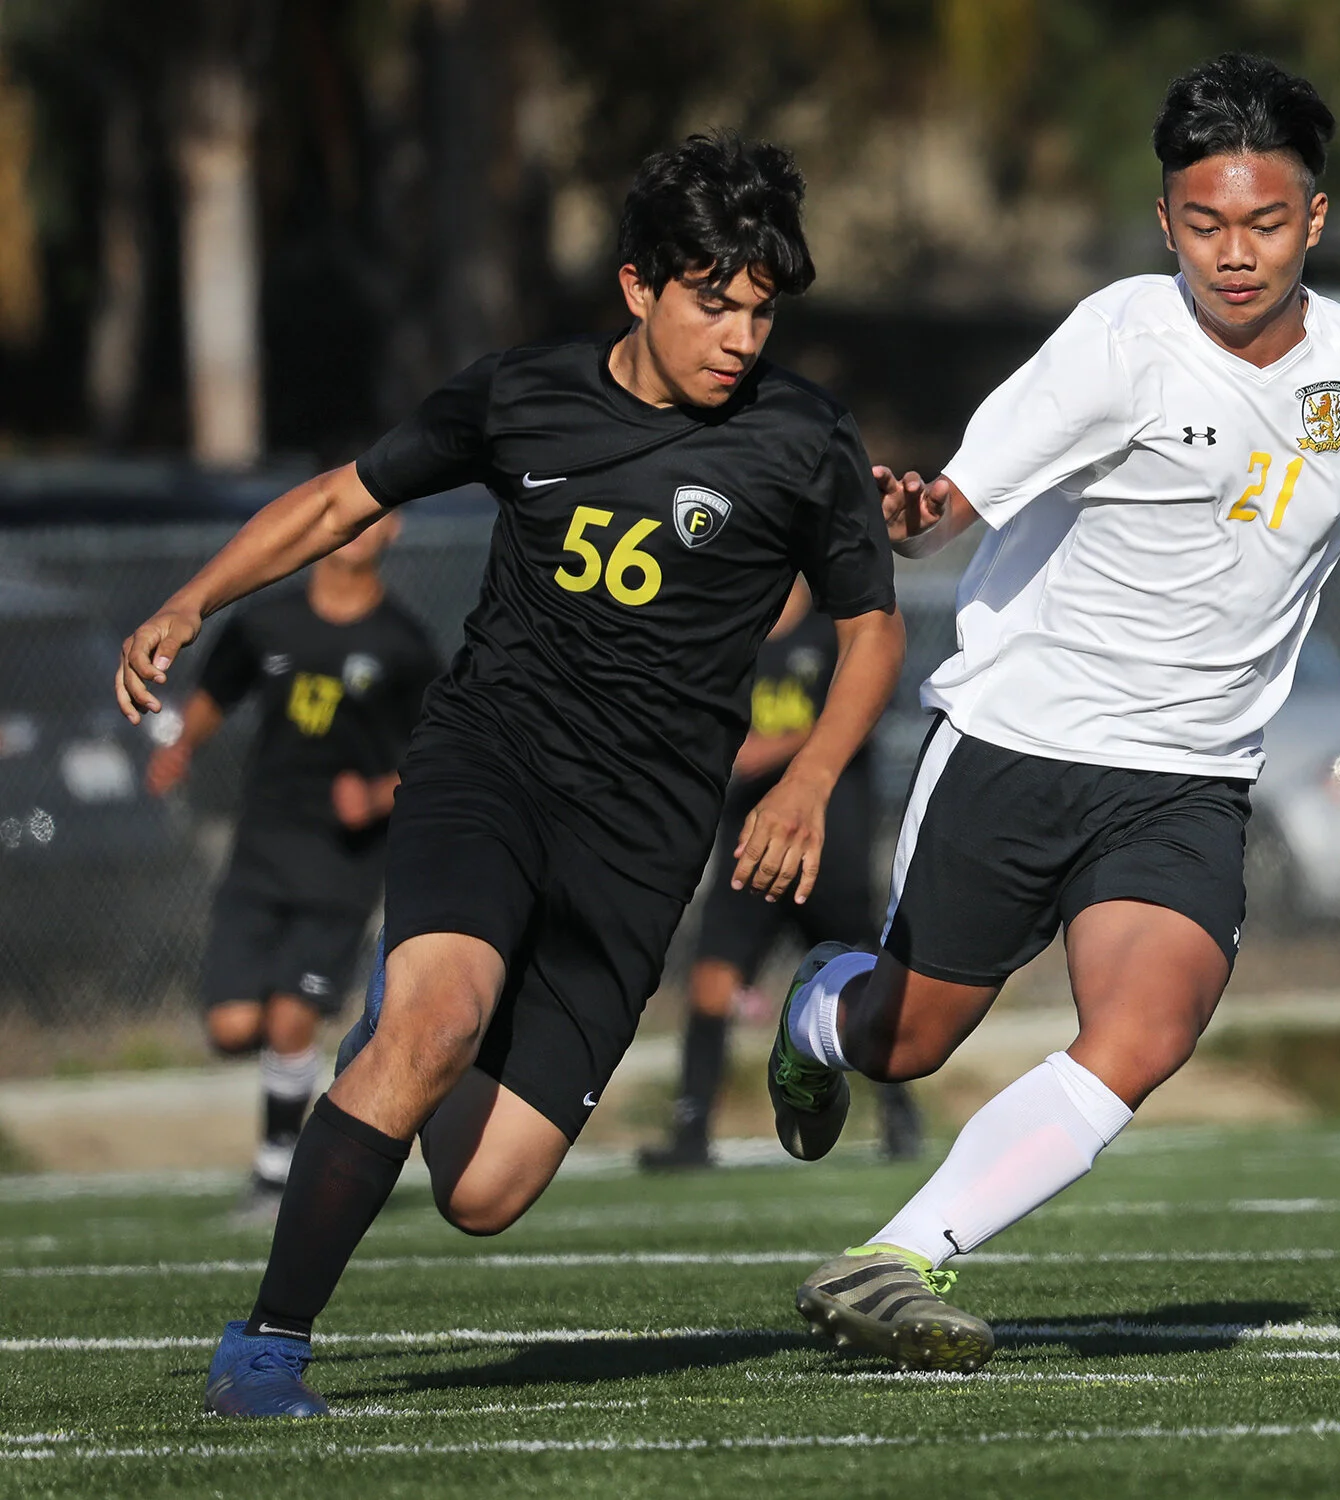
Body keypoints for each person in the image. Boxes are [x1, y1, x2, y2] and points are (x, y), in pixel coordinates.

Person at [114, 130, 903, 1418]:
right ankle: (266, 1347)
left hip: (643, 839)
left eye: (762, 311)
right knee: (437, 1022)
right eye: (715, 303)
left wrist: (809, 778)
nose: (742, 338)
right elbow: (337, 502)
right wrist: (192, 601)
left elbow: (873, 629)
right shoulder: (520, 394)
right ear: (638, 285)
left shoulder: (803, 439)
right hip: (492, 764)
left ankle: (414, 1030)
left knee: (483, 1195)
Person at [767, 54, 1340, 1372]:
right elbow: (954, 501)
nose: (1232, 254)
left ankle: (898, 1257)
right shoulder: (1117, 343)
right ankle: (817, 1016)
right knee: (908, 1041)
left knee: (1147, 1031)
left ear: (1314, 217)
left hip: (1186, 777)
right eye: (1202, 224)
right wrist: (912, 519)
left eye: (1262, 221)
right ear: (1165, 220)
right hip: (1021, 746)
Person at [145, 513, 437, 1220]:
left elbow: (436, 756)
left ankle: (276, 1177)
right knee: (232, 1026)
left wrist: (373, 794)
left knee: (290, 1016)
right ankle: (302, 1098)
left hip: (342, 861)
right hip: (263, 847)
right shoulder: (267, 623)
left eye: (378, 518)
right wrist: (181, 747)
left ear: (392, 531)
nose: (360, 529)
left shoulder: (403, 644)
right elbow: (216, 693)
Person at [638, 579, 921, 1172]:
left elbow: (863, 711)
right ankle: (692, 1131)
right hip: (750, 847)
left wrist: (772, 749)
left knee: (871, 976)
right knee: (711, 981)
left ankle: (899, 1115)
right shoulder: (728, 638)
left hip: (827, 847)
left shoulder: (835, 634)